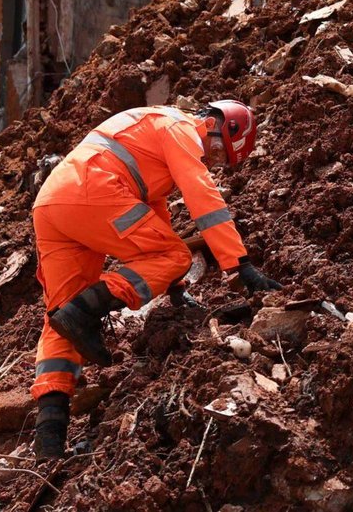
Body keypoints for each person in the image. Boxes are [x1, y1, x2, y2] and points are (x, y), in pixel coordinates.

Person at [30, 100, 281, 458]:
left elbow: (154, 217)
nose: (211, 162)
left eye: (221, 161)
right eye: (216, 151)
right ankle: (86, 309)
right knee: (175, 256)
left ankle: (48, 440)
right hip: (92, 189)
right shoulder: (180, 128)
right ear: (212, 123)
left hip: (54, 203)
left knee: (60, 318)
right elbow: (202, 195)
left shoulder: (151, 137)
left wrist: (175, 287)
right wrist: (239, 264)